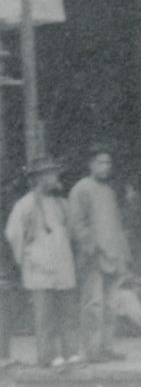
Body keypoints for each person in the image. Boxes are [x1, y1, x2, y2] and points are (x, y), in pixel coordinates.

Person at [5, 156, 83, 369]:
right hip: (39, 269)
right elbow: (13, 233)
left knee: (68, 313)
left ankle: (71, 353)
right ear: (39, 178)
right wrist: (27, 258)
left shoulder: (62, 203)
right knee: (45, 317)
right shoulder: (25, 204)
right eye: (51, 174)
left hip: (62, 266)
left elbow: (71, 232)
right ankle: (49, 356)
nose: (56, 178)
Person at [68, 144, 132, 363]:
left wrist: (123, 255)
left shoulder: (109, 191)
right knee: (93, 305)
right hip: (93, 256)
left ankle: (106, 347)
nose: (105, 166)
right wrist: (91, 247)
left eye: (108, 162)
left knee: (111, 305)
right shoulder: (81, 189)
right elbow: (77, 224)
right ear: (91, 164)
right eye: (100, 162)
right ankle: (91, 350)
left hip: (113, 256)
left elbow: (116, 225)